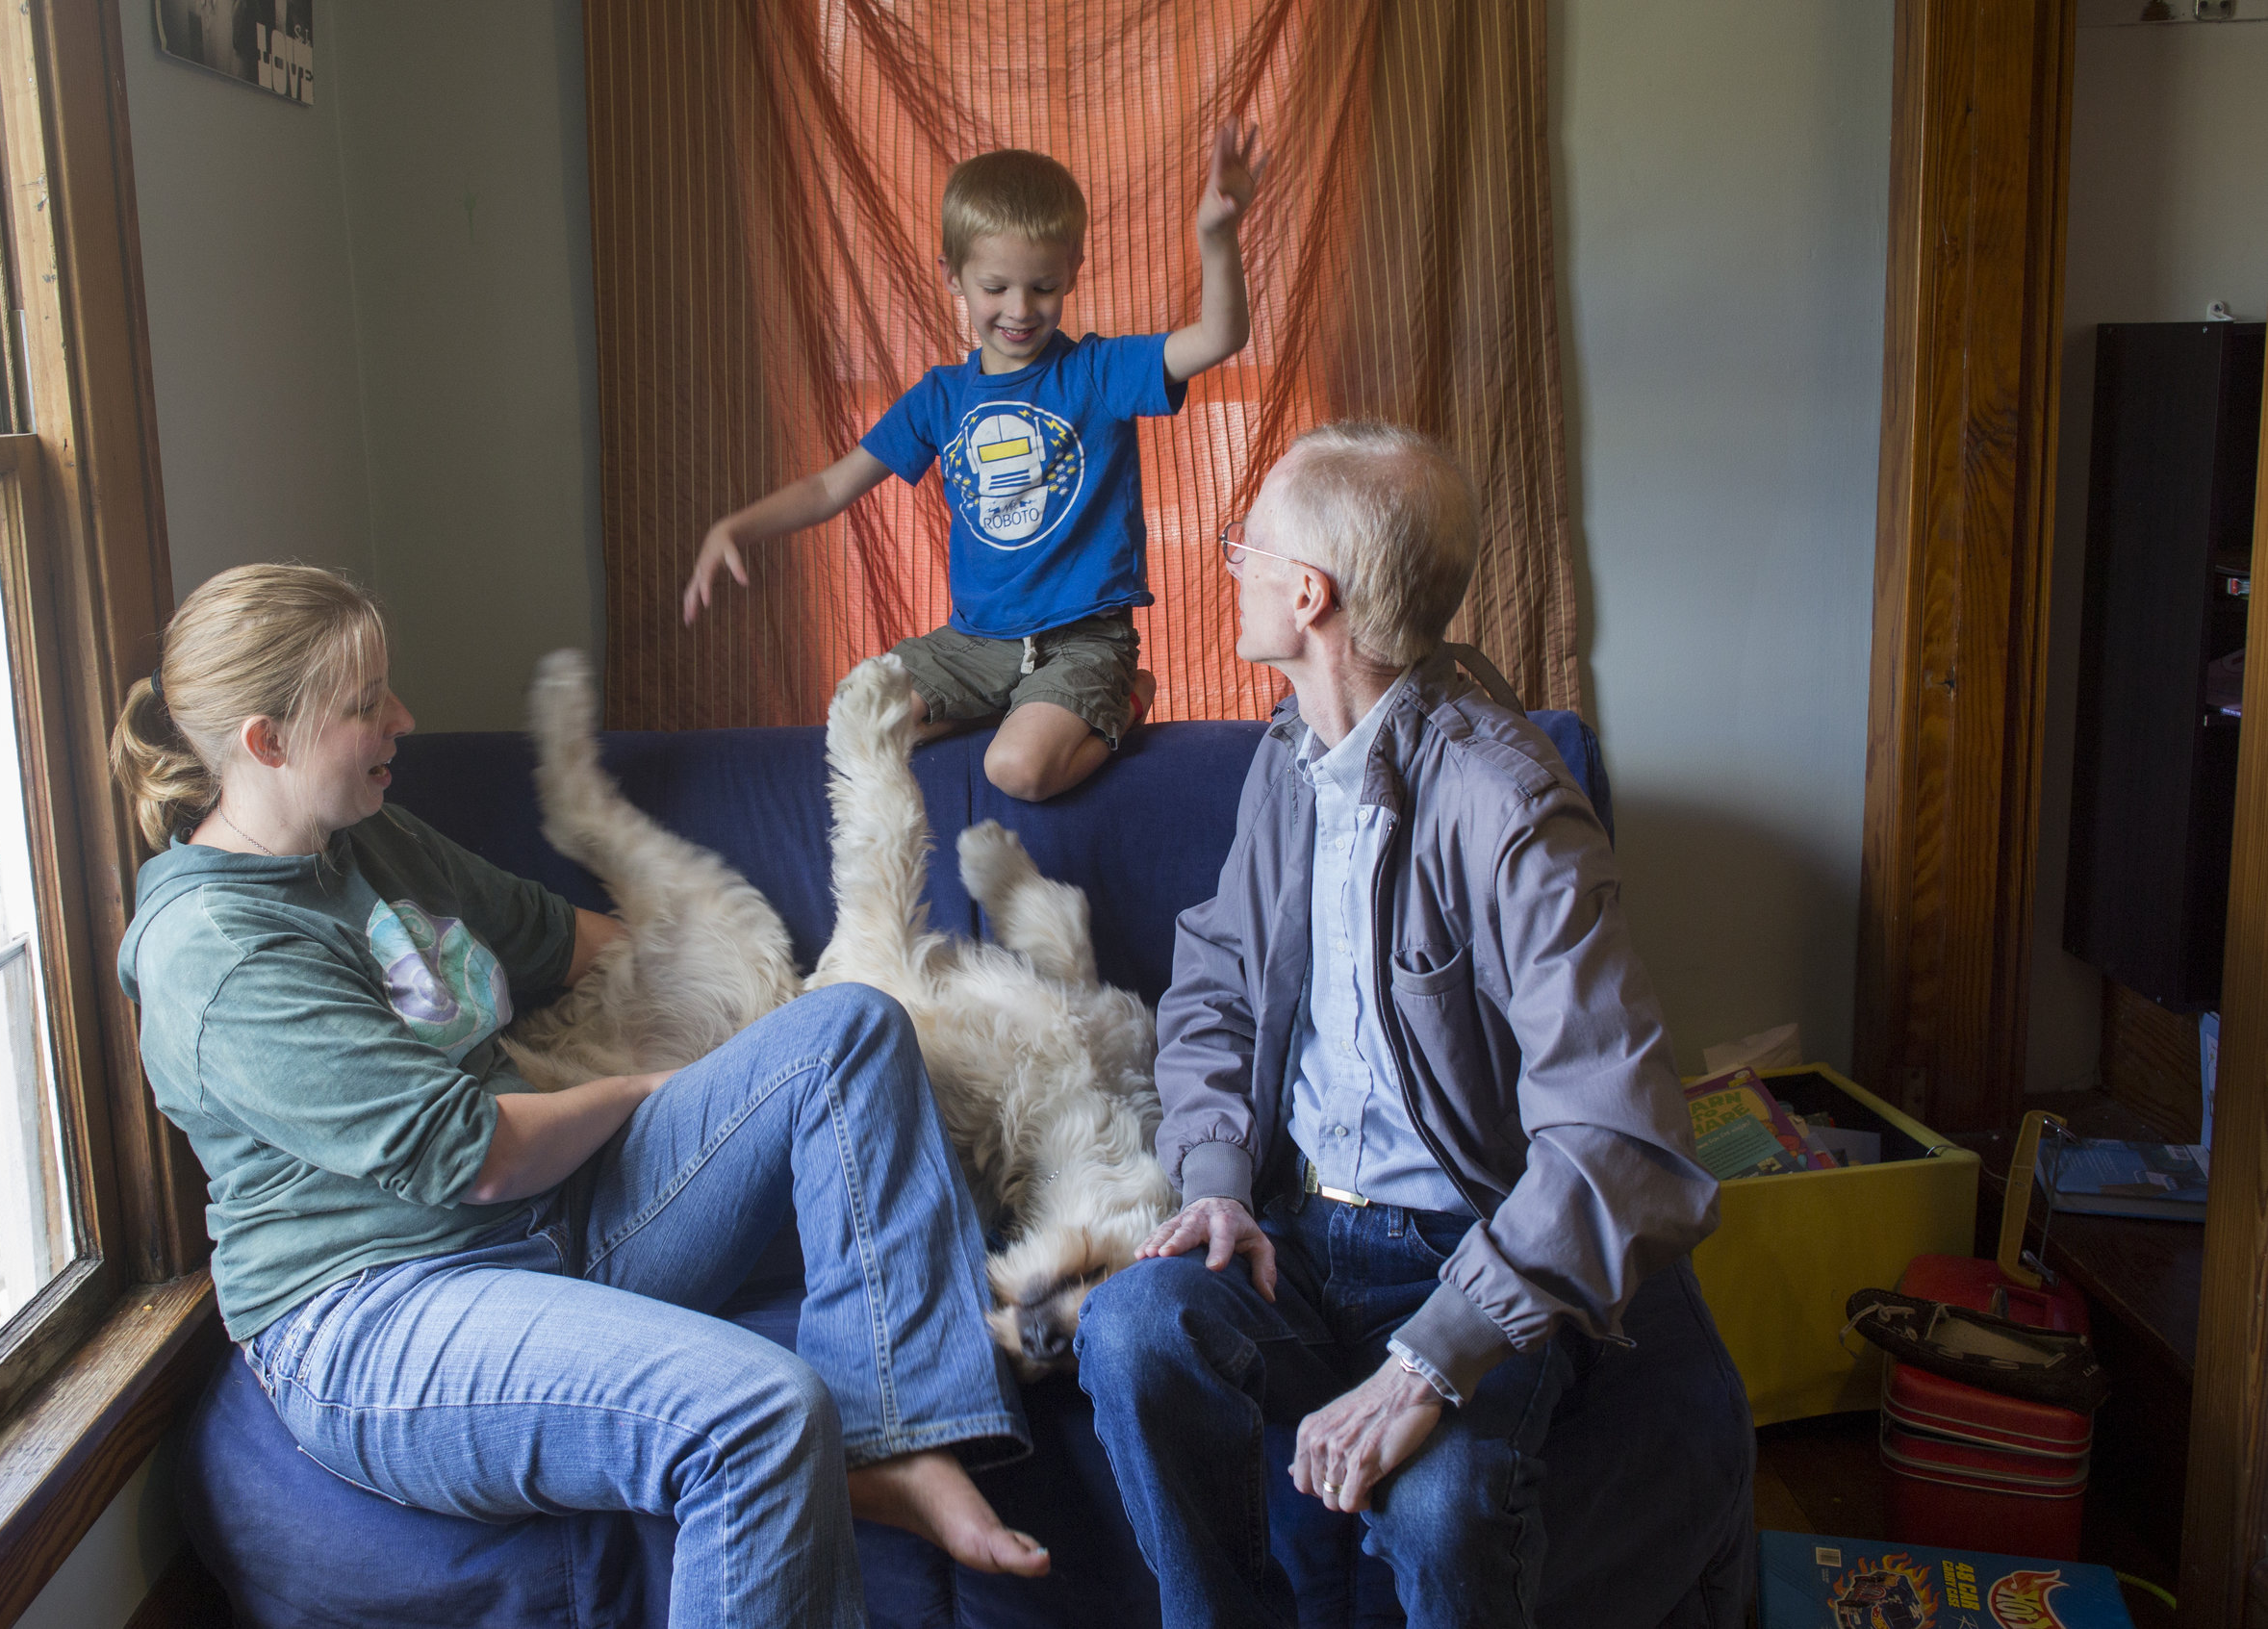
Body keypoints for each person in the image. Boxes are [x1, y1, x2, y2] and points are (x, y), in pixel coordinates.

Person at [110, 563, 1047, 1629]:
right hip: (383, 1305)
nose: (402, 719)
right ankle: (828, 1452)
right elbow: (479, 1154)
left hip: (557, 1218)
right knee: (759, 1413)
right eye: (365, 704)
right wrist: (649, 1085)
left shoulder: (366, 837)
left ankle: (897, 1434)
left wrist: (744, 1027)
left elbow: (574, 943)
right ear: (265, 741)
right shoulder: (216, 952)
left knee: (843, 1032)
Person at [1073, 422, 1746, 1627]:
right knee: (1130, 1329)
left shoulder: (1511, 806)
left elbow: (1616, 1135)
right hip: (1292, 1238)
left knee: (1443, 1510)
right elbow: (1216, 981)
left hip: (1465, 1251)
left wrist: (1437, 1353)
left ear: (1309, 593)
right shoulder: (1287, 761)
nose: (1229, 563)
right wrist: (1217, 1177)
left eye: (1245, 546)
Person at [682, 134, 1262, 802]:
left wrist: (1217, 236)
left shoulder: (1097, 373)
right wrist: (734, 527)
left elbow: (1220, 337)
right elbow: (828, 485)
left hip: (1080, 639)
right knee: (858, 723)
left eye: (1043, 287)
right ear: (952, 275)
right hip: (976, 641)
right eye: (996, 287)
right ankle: (1007, 700)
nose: (1019, 310)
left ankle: (1125, 699)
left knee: (1014, 770)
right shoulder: (940, 397)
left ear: (1074, 268)